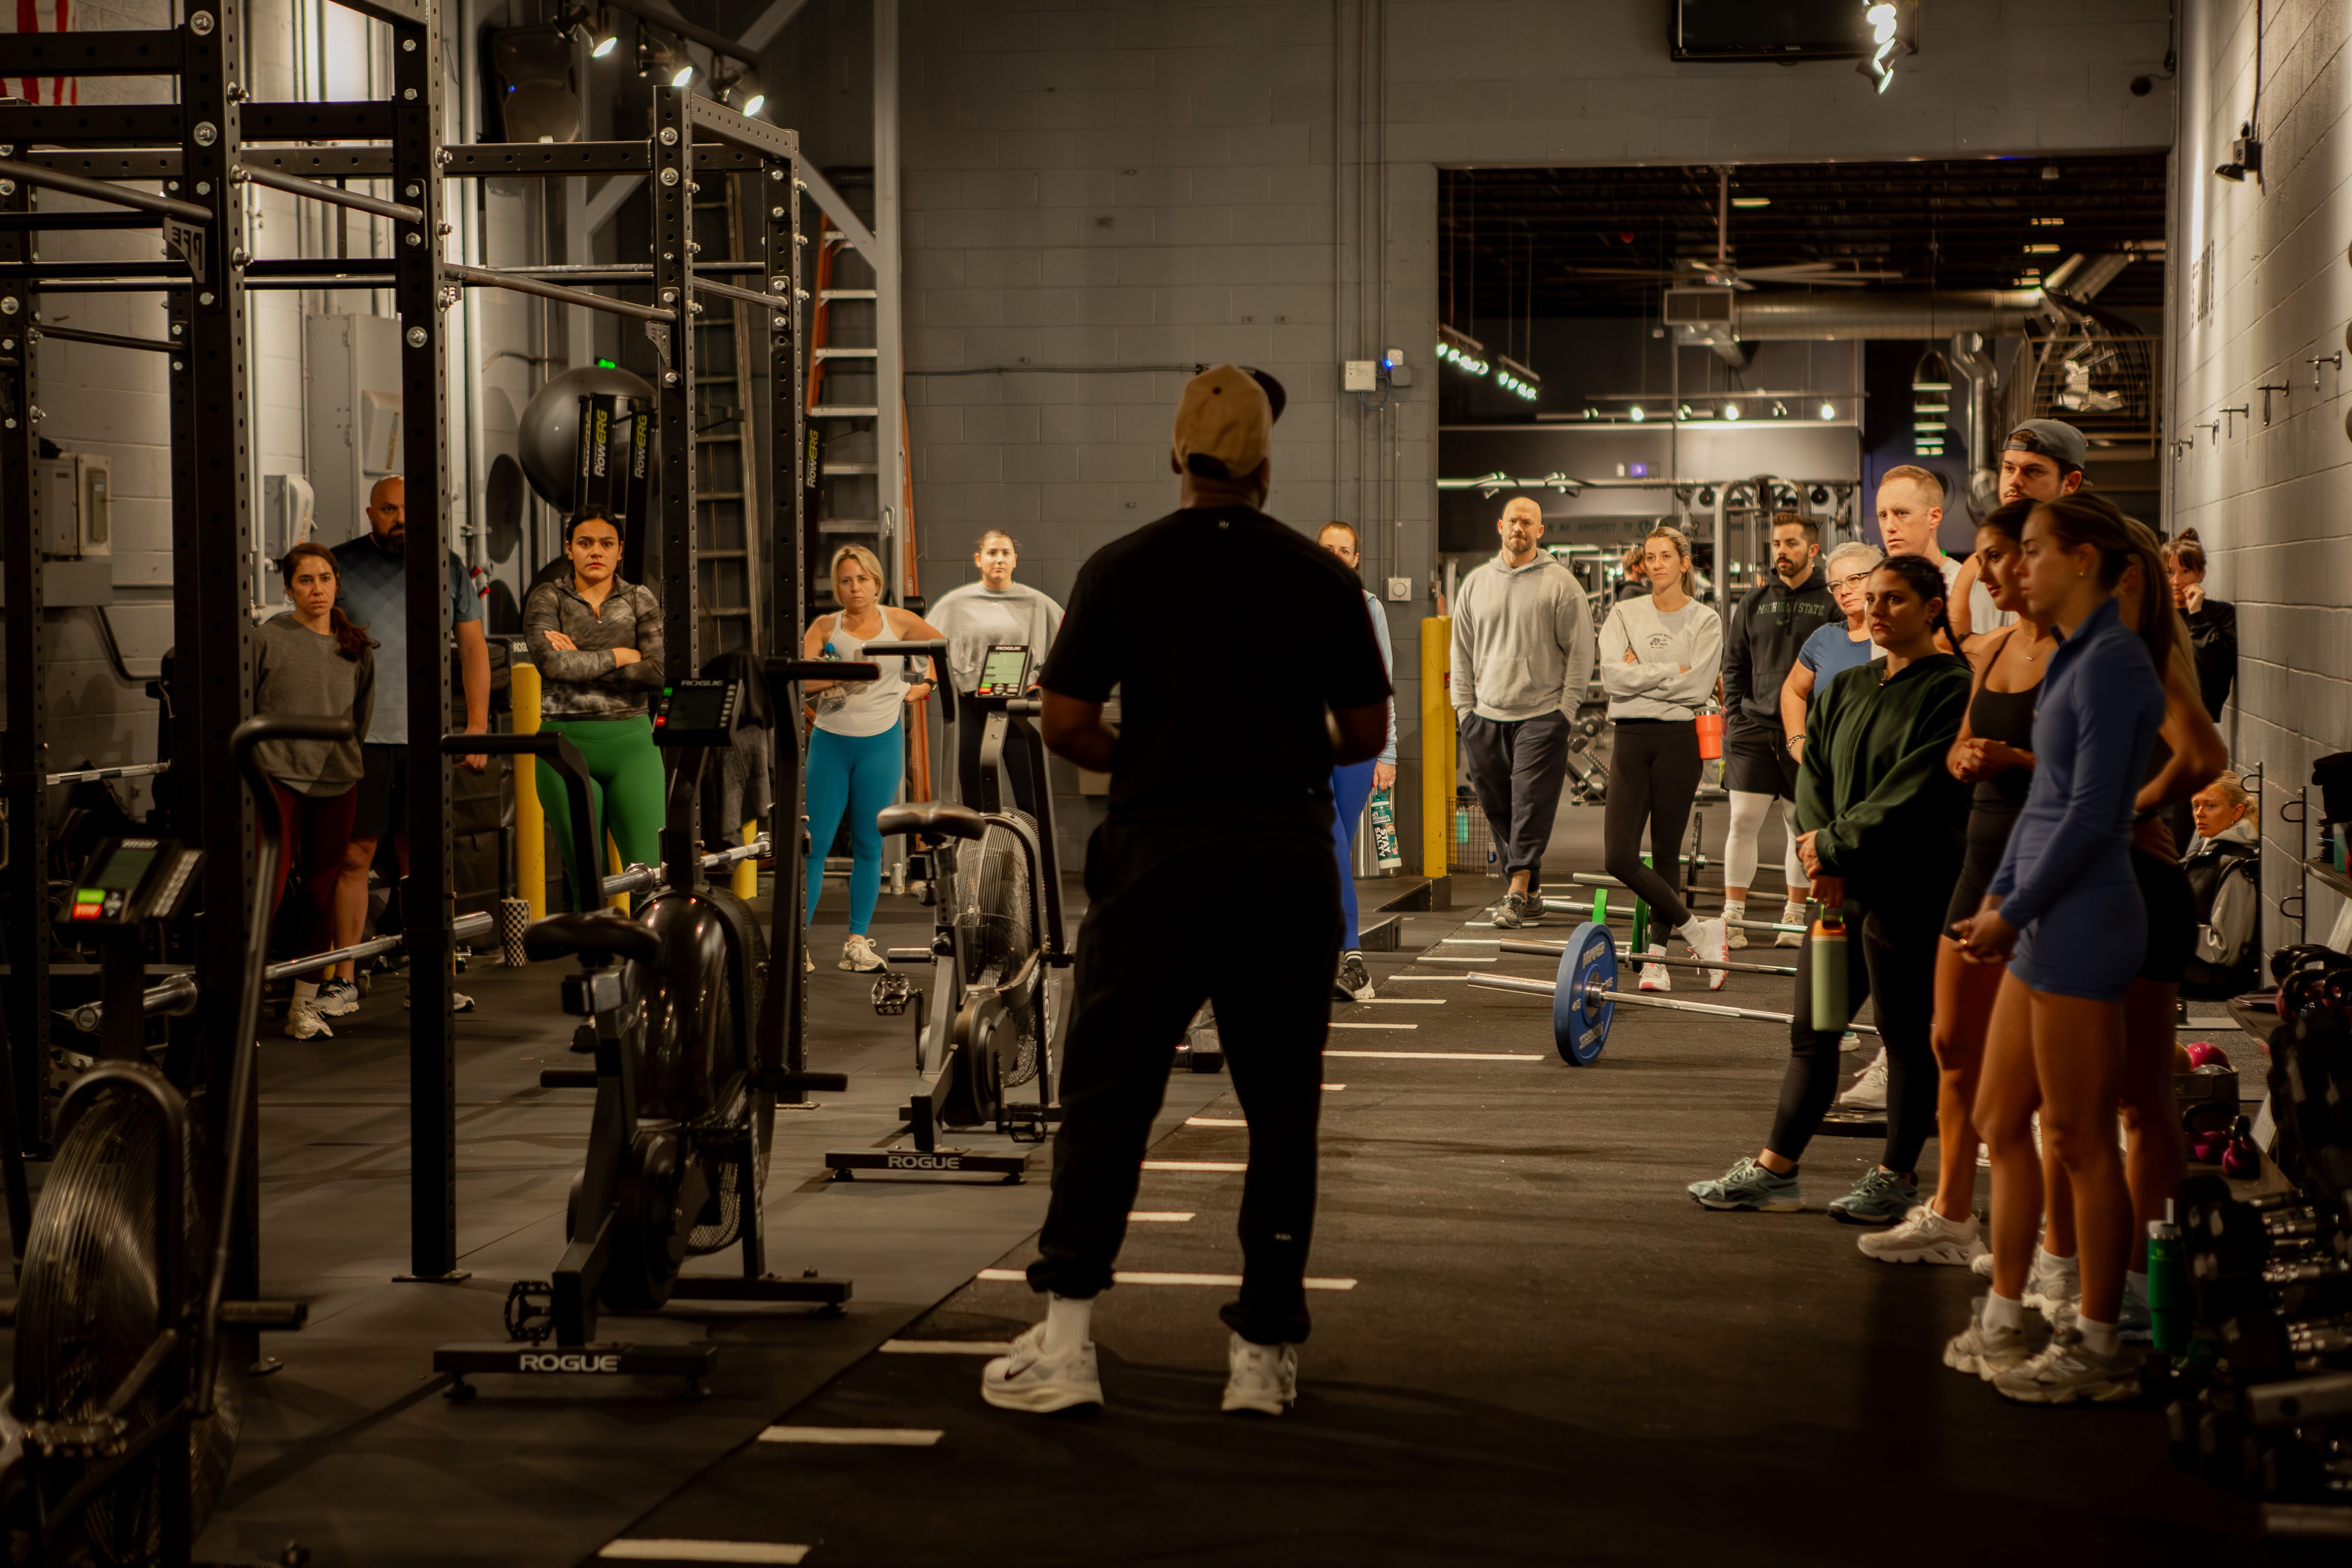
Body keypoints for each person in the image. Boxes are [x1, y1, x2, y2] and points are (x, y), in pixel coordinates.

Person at [980, 365, 1390, 1419]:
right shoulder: (1318, 576)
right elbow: (1365, 731)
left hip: (1158, 853)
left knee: (1108, 1098)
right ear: (1264, 464)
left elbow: (1063, 722)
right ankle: (1261, 1356)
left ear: (1177, 455)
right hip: (1283, 855)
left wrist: (1156, 757)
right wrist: (1270, 748)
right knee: (1281, 1107)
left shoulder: (1122, 567)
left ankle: (1067, 1343)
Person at [1945, 494, 2170, 1405]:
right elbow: (2042, 804)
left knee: (2079, 1137)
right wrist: (1999, 898)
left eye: (2032, 551)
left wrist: (2019, 908)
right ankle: (2005, 1317)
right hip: (2037, 913)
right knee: (2002, 1121)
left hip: (2086, 919)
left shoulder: (2116, 664)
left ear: (2084, 561)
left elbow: (2091, 815)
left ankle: (2098, 1343)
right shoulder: (2074, 656)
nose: (2014, 567)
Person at [1686, 554, 1972, 1224]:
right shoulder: (1846, 685)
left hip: (1910, 887)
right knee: (1812, 1029)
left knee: (1904, 1036)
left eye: (1893, 599)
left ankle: (1896, 1177)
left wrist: (1834, 846)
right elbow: (1812, 770)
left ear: (1932, 609)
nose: (1875, 609)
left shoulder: (1952, 688)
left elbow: (1915, 786)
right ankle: (1774, 1170)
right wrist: (1817, 850)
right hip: (1838, 890)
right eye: (1871, 598)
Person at [1857, 500, 2042, 1266]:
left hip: (2046, 864)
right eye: (1984, 557)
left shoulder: (2089, 655)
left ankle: (2058, 1255)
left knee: (2039, 1086)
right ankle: (1951, 1211)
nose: (1987, 571)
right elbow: (1962, 745)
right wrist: (1965, 757)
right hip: (1980, 864)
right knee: (1950, 1044)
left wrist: (2019, 762)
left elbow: (2119, 773)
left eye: (2001, 557)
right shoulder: (1991, 650)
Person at [326, 474, 490, 1019]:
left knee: (420, 858)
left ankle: (430, 977)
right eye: (389, 510)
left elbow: (473, 648)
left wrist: (477, 726)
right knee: (355, 855)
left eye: (409, 509)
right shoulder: (339, 565)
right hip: (361, 738)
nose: (401, 519)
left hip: (427, 737)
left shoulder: (448, 566)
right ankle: (343, 979)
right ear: (371, 513)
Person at [800, 544, 946, 973]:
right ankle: (797, 944)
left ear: (877, 582)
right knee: (815, 845)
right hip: (830, 743)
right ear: (837, 586)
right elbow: (800, 680)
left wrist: (926, 686)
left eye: (862, 579)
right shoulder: (824, 627)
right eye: (846, 580)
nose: (855, 588)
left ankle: (857, 943)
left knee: (869, 845)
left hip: (880, 745)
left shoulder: (898, 621)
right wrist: (825, 689)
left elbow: (941, 649)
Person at [1450, 496, 1595, 929]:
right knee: (1498, 807)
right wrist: (1464, 711)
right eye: (1513, 520)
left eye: (1528, 522)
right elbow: (1460, 652)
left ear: (1540, 531)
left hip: (1542, 713)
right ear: (1501, 526)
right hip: (1484, 716)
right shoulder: (1476, 583)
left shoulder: (1561, 584)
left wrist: (1566, 710)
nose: (1520, 527)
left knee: (1529, 802)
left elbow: (1581, 651)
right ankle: (1531, 894)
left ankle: (1515, 891)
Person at [1597, 524, 1728, 991]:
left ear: (1684, 563)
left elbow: (1698, 687)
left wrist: (1642, 672)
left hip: (1680, 739)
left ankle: (1656, 959)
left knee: (1667, 851)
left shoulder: (1705, 621)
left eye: (1665, 556)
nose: (1655, 565)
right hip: (1630, 737)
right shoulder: (1624, 612)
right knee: (1618, 857)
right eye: (1649, 557)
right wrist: (1672, 670)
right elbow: (1612, 678)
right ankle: (1699, 932)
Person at [256, 541, 376, 1042]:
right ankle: (240, 1003)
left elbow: (360, 720)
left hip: (337, 781)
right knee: (267, 888)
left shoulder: (356, 647)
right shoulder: (267, 639)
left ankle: (304, 1005)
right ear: (288, 589)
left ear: (337, 584)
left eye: (325, 579)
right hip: (276, 777)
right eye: (305, 580)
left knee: (321, 892)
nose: (317, 589)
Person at [522, 514, 667, 909]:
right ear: (569, 549)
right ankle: (596, 951)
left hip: (633, 745)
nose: (596, 552)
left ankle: (648, 952)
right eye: (585, 543)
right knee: (588, 882)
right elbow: (553, 666)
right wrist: (621, 654)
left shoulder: (640, 598)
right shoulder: (547, 598)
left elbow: (656, 672)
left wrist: (582, 660)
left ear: (620, 551)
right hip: (564, 747)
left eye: (607, 543)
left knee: (650, 878)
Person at [1718, 514, 1838, 951]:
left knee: (1797, 826)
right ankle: (1733, 916)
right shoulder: (1753, 602)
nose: (1782, 551)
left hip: (1806, 734)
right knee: (1741, 822)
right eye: (1776, 544)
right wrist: (1736, 717)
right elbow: (1734, 665)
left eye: (1791, 543)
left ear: (1813, 550)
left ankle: (1793, 915)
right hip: (1753, 729)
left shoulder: (1830, 602)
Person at [927, 528, 1064, 814]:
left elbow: (1071, 642)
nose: (999, 559)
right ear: (978, 560)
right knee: (974, 799)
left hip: (1018, 706)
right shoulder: (955, 603)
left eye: (1005, 553)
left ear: (1015, 560)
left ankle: (1033, 845)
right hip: (972, 706)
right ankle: (978, 846)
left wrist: (1041, 683)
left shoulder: (1037, 603)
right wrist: (935, 681)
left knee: (1030, 796)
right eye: (992, 553)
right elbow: (928, 647)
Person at [1318, 521, 1398, 1003]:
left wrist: (1387, 753)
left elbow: (1381, 684)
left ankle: (1347, 963)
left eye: (1343, 550)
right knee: (1326, 847)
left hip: (1354, 751)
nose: (1334, 555)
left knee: (1335, 852)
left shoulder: (1370, 608)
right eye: (1326, 548)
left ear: (1354, 559)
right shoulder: (1293, 604)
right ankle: (1351, 958)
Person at [1949, 419, 2089, 640]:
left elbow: (2037, 636)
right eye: (2009, 468)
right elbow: (1947, 641)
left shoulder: (2082, 558)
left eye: (2032, 471)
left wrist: (1980, 646)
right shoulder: (1976, 566)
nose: (2014, 481)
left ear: (2071, 482)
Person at [2182, 771, 2261, 997]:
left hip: (2210, 982)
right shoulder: (2206, 849)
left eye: (2211, 806)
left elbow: (2225, 949)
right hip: (2191, 971)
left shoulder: (2236, 864)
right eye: (2196, 806)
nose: (2200, 813)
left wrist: (2173, 927)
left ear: (2237, 812)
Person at [2164, 530, 2236, 719]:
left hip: (2199, 718)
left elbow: (2216, 669)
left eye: (2186, 572)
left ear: (2201, 574)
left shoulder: (2221, 614)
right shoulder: (2154, 613)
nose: (2176, 581)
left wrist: (2196, 613)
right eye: (2169, 573)